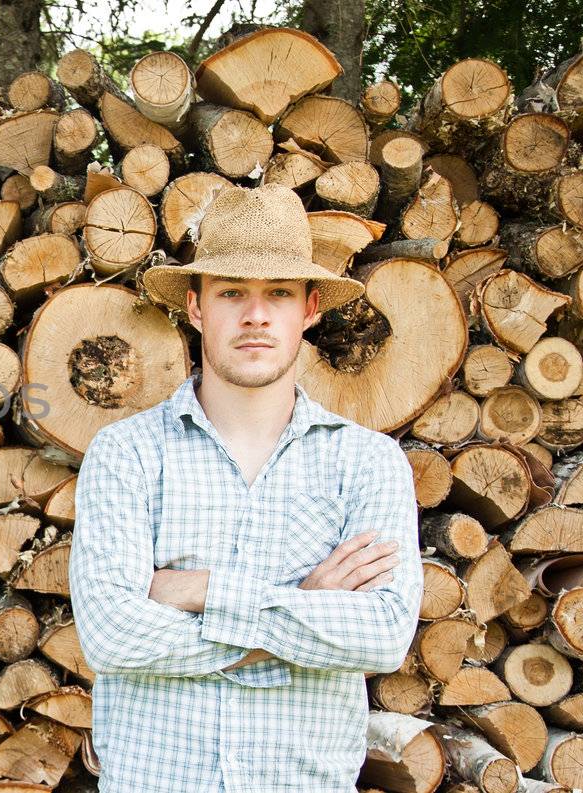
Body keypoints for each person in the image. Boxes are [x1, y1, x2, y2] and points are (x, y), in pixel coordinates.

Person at [67, 183, 422, 791]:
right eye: (232, 292)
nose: (255, 315)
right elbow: (111, 636)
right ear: (197, 306)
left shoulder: (369, 463)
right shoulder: (126, 454)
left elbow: (382, 637)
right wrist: (305, 602)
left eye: (278, 294)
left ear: (310, 309)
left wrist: (196, 590)